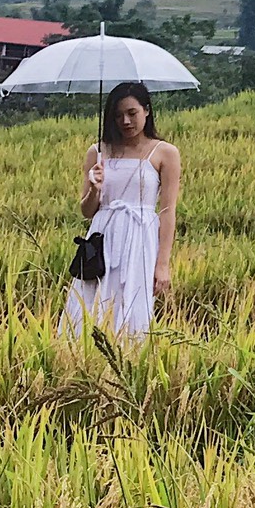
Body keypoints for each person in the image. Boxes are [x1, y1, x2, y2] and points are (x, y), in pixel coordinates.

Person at [62, 79, 182, 339]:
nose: (126, 122)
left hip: (140, 237)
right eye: (118, 116)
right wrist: (94, 187)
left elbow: (168, 210)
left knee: (132, 304)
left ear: (147, 111)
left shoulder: (165, 152)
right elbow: (86, 210)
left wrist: (163, 264)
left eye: (132, 113)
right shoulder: (98, 151)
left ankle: (128, 362)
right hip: (102, 235)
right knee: (90, 301)